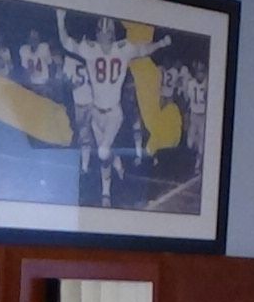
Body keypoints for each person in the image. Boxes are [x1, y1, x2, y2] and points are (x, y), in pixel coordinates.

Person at [57, 10, 171, 206]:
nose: (104, 36)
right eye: (101, 32)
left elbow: (143, 50)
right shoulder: (90, 49)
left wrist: (160, 44)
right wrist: (60, 19)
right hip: (95, 112)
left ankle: (105, 194)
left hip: (114, 113)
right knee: (105, 155)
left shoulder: (123, 48)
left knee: (102, 151)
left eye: (107, 32)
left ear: (112, 34)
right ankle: (115, 167)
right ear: (97, 33)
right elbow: (66, 43)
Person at [183, 60, 210, 172]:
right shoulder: (191, 83)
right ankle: (194, 159)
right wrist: (186, 116)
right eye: (198, 71)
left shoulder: (208, 83)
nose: (200, 74)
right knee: (190, 143)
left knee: (201, 143)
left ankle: (197, 165)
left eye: (202, 71)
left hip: (203, 116)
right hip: (194, 115)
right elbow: (187, 100)